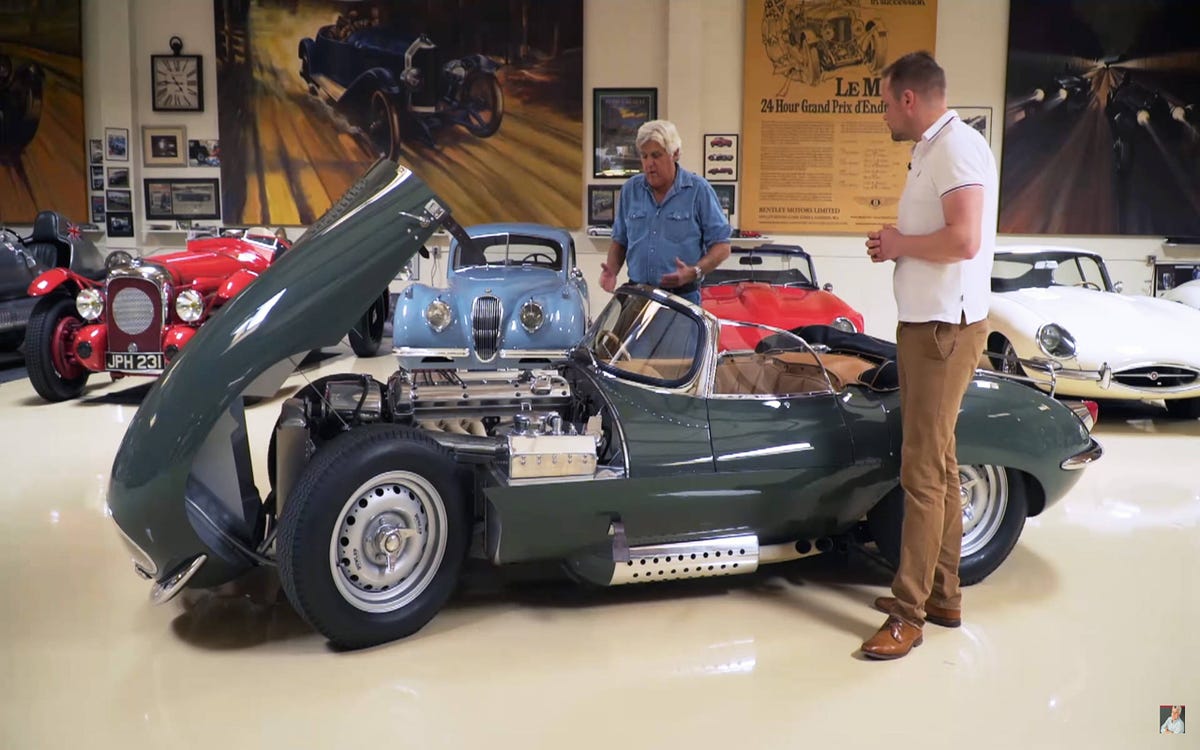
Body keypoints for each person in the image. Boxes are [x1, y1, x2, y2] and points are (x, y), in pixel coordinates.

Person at [859, 51, 998, 660]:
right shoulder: (934, 148)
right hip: (926, 327)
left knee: (920, 471)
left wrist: (899, 243)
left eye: (886, 102)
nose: (885, 113)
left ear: (909, 99)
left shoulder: (955, 149)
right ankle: (943, 595)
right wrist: (900, 248)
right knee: (939, 466)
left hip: (945, 331)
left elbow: (965, 240)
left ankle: (909, 612)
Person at [601, 120, 731, 306]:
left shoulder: (698, 190)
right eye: (644, 156)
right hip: (638, 297)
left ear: (675, 153)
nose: (649, 164)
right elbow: (620, 240)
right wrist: (612, 270)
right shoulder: (631, 190)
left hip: (682, 301)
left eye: (656, 155)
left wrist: (694, 272)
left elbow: (722, 246)